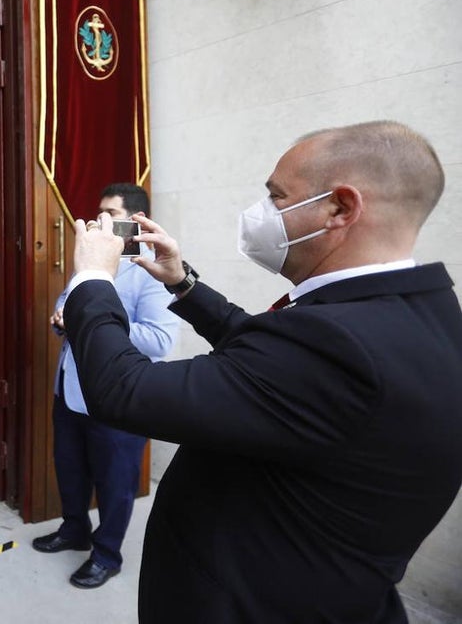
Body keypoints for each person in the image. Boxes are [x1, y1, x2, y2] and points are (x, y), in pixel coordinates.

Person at [63, 121, 462, 622]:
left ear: (340, 208)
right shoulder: (418, 310)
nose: (261, 213)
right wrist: (184, 283)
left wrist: (93, 277)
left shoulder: (340, 344)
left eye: (276, 197)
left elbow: (122, 390)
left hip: (250, 603)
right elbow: (268, 356)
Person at [33, 184, 179, 589]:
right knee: (70, 469)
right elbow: (65, 305)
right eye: (99, 212)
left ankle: (107, 554)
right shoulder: (90, 261)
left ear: (134, 222)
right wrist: (61, 317)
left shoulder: (151, 272)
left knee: (115, 482)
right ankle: (74, 529)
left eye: (109, 213)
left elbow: (161, 339)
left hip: (117, 401)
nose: (100, 220)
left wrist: (96, 325)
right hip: (70, 391)